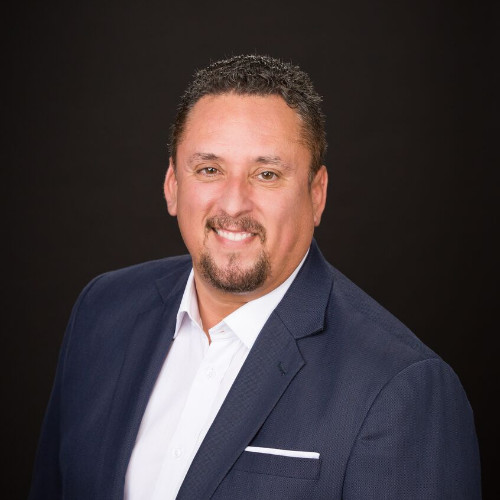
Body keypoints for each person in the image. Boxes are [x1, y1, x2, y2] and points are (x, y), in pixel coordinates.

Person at [29, 55, 481, 500]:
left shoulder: (402, 388)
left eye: (267, 174)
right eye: (209, 170)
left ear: (317, 194)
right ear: (172, 184)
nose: (233, 204)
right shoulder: (102, 312)